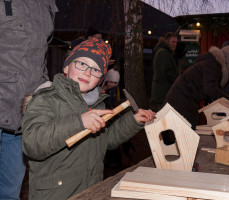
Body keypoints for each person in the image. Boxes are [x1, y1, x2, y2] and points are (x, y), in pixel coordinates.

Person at [21, 37, 155, 199]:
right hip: (57, 194)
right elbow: (32, 144)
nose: (88, 72)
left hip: (91, 190)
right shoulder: (46, 99)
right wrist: (79, 122)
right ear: (66, 67)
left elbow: (107, 140)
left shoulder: (98, 103)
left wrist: (133, 122)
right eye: (82, 64)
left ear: (100, 79)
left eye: (96, 70)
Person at [0, 1, 57, 199]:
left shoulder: (47, 5)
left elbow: (39, 58)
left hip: (22, 116)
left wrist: (44, 94)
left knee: (10, 192)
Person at [164, 44, 229, 129]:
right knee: (188, 131)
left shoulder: (213, 63)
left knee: (187, 130)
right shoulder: (213, 64)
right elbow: (210, 89)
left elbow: (216, 88)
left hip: (183, 99)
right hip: (180, 101)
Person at [150, 32, 179, 112]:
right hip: (163, 94)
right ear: (167, 42)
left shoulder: (164, 52)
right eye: (173, 42)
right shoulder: (163, 53)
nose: (175, 44)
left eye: (176, 42)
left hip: (162, 93)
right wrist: (178, 82)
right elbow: (168, 72)